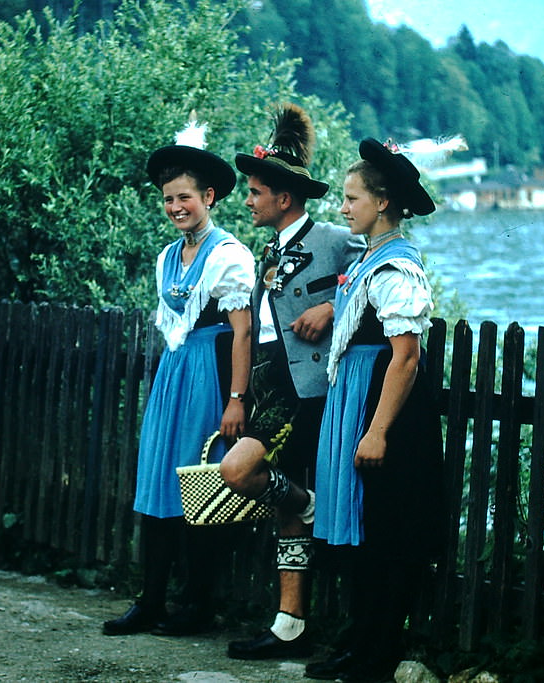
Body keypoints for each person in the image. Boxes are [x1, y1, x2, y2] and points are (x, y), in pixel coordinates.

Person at [219, 103, 364, 660]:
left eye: (255, 192)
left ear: (283, 197)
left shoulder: (332, 237)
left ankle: (306, 511)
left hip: (312, 394)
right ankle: (290, 625)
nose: (249, 200)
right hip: (271, 388)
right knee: (287, 508)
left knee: (239, 471)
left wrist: (331, 304)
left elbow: (380, 267)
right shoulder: (267, 250)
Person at [103, 120, 254, 637]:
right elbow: (171, 325)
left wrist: (235, 399)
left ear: (208, 196)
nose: (175, 208)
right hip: (174, 373)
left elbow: (243, 332)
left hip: (210, 377)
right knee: (159, 485)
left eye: (184, 197)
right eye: (168, 199)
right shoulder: (169, 257)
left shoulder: (229, 255)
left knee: (200, 487)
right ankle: (150, 601)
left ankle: (197, 604)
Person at [304, 138, 446, 682]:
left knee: (385, 529)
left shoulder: (396, 268)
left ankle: (377, 652)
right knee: (360, 529)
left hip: (382, 402)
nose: (343, 208)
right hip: (356, 396)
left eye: (351, 198)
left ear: (382, 203)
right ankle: (358, 642)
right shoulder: (369, 261)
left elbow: (405, 358)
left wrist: (378, 430)